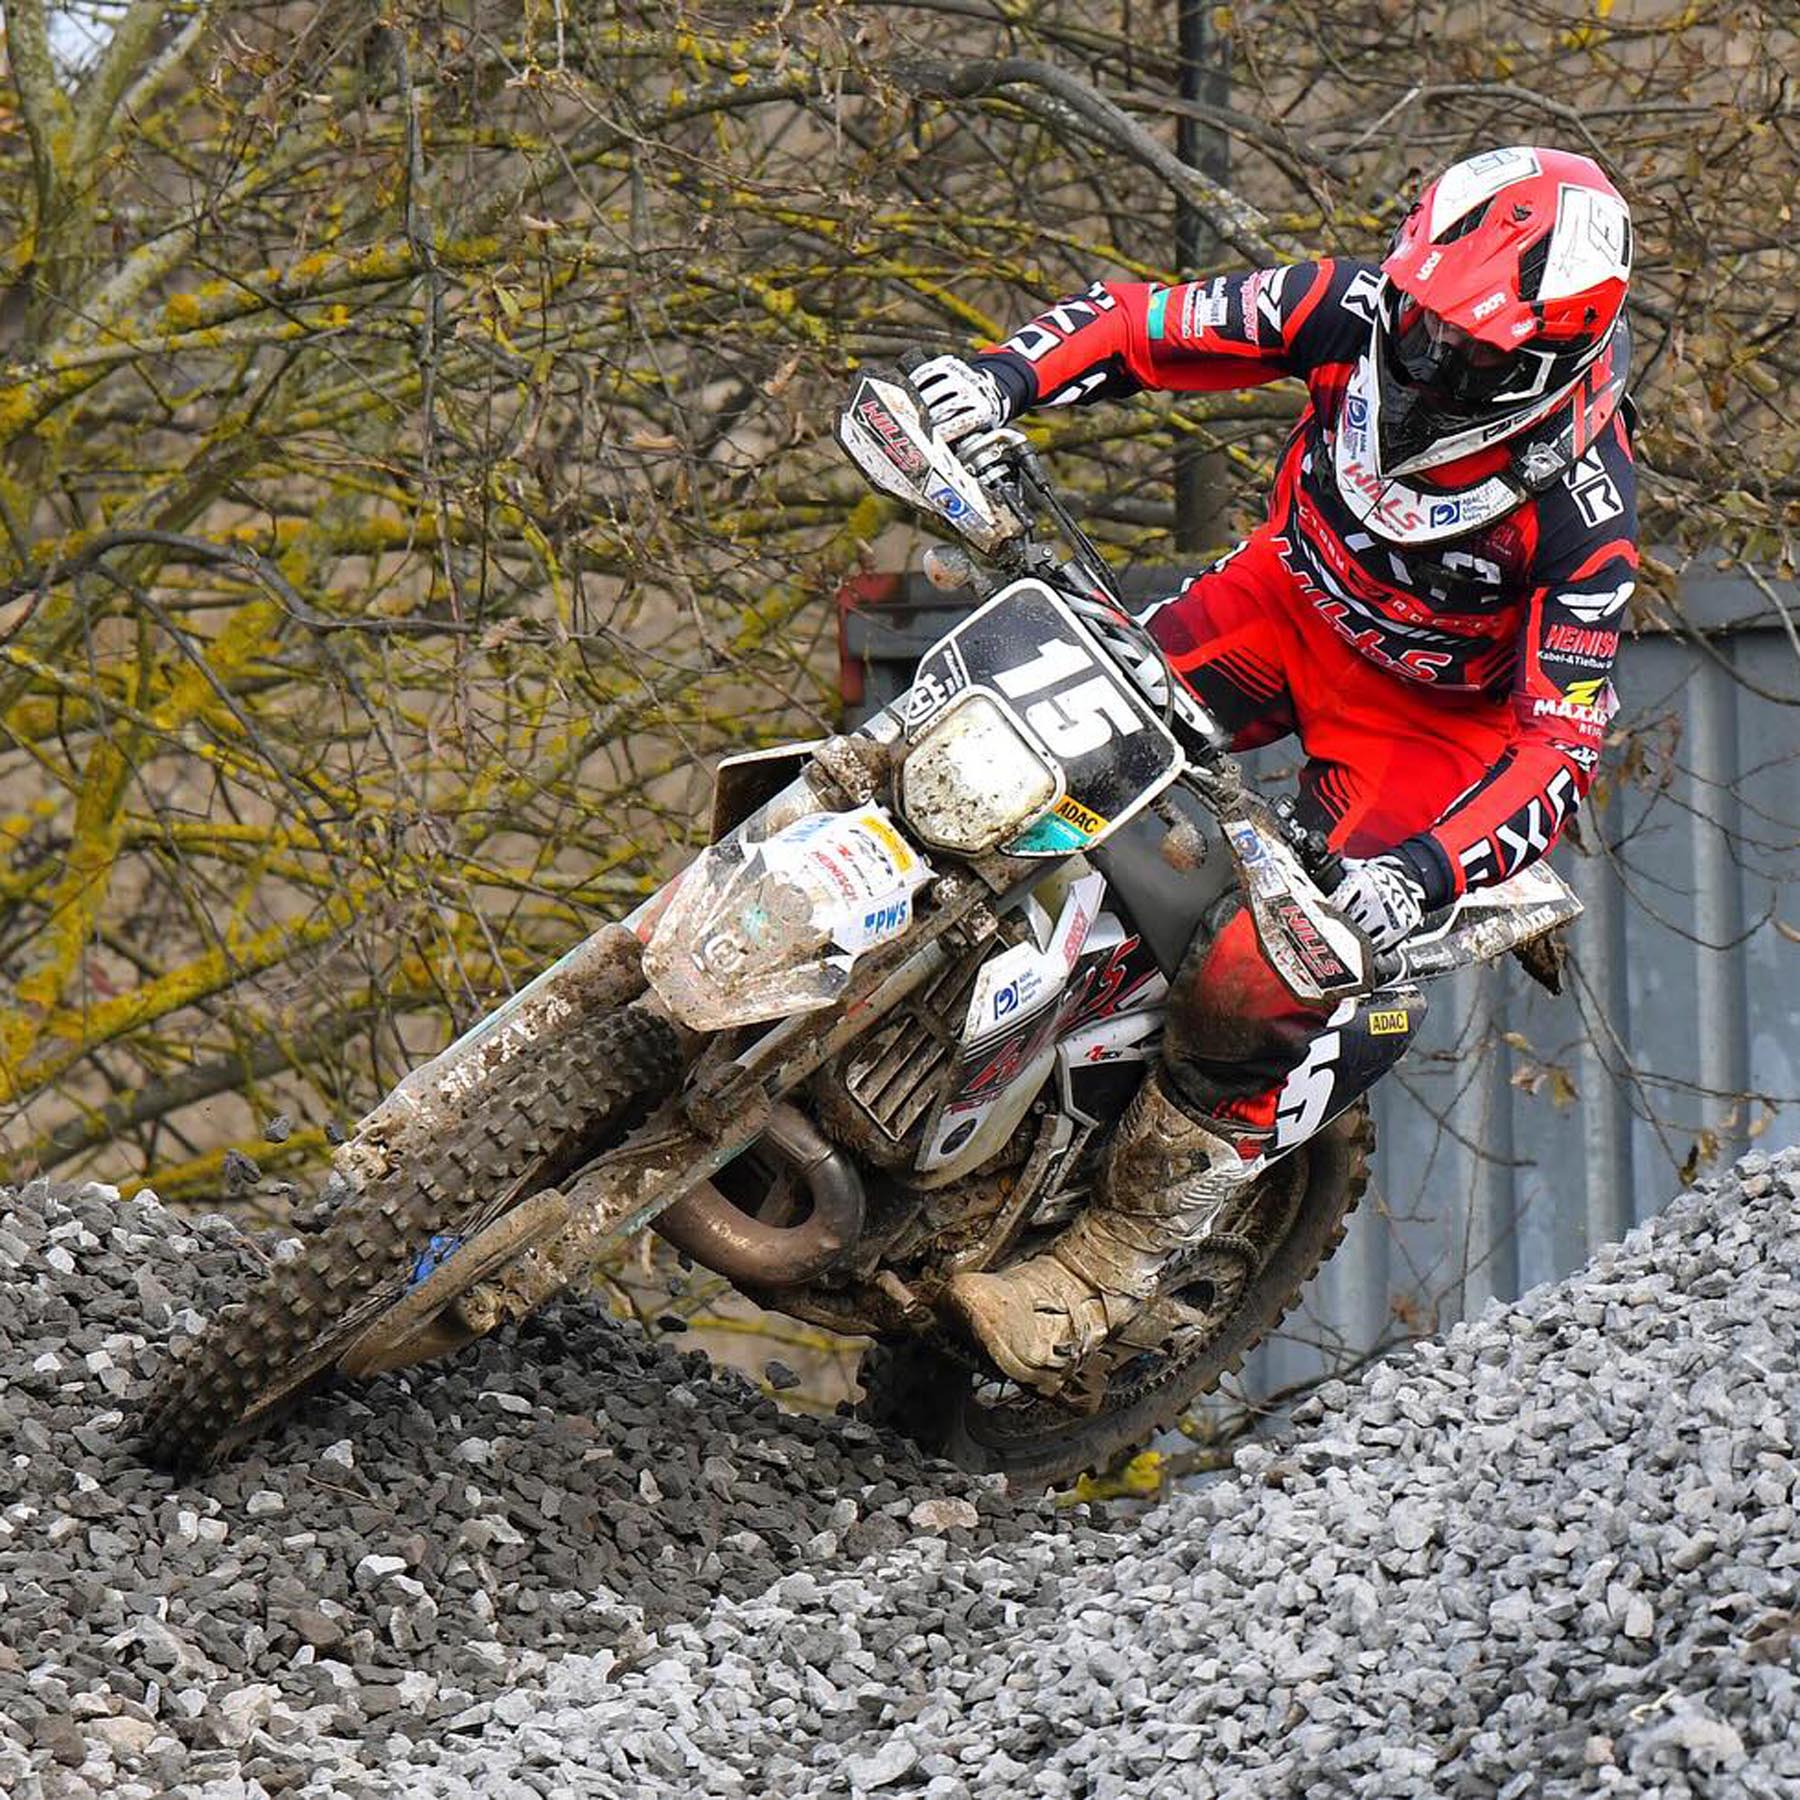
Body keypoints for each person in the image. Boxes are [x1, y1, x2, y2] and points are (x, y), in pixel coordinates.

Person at [916, 146, 1637, 1393]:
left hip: (1426, 740)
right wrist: (997, 381)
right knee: (1024, 718)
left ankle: (1116, 1261)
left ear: (1546, 366)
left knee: (1277, 967)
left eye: (1464, 349)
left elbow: (1561, 738)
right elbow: (1147, 326)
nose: (1421, 355)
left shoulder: (1583, 510)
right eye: (1417, 315)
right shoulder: (1349, 308)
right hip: (1279, 609)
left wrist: (1424, 873)